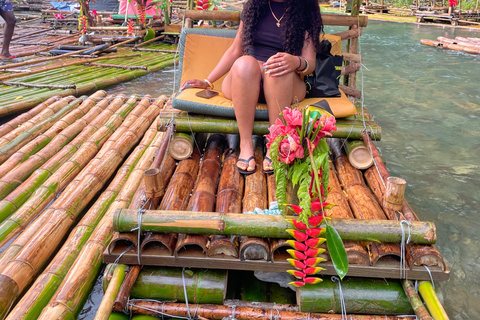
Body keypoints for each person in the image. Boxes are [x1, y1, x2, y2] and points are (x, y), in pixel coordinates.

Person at [180, 0, 323, 174]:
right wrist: (207, 81)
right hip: (245, 83)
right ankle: (245, 143)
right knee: (245, 64)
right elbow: (235, 50)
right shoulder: (253, 6)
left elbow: (310, 64)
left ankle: (275, 142)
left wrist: (295, 61)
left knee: (275, 67)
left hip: (284, 84)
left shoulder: (305, 8)